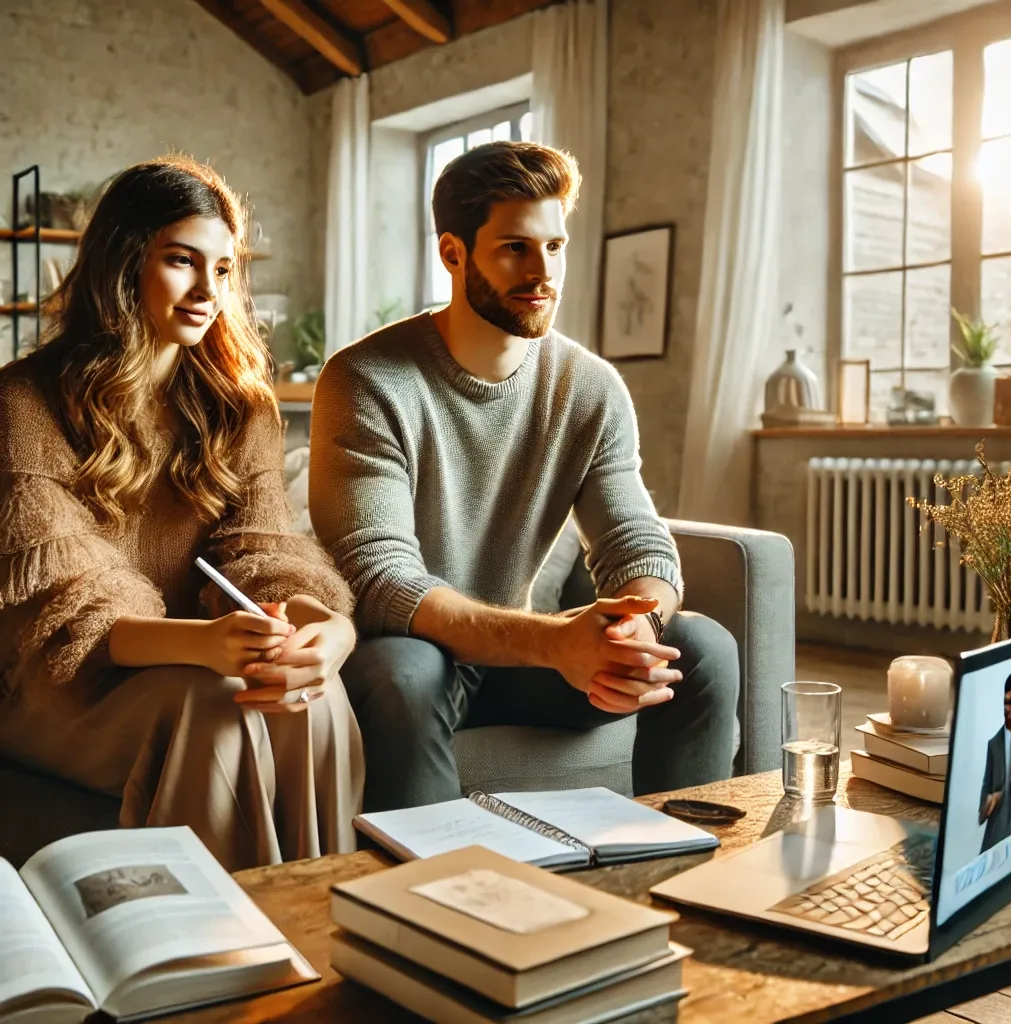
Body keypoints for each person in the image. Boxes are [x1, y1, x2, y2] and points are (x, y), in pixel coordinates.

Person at [309, 141, 739, 812]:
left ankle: (688, 873)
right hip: (413, 650)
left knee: (701, 647)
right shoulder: (367, 378)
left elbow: (634, 541)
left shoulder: (590, 386)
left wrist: (637, 626)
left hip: (518, 658)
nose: (543, 273)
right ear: (454, 253)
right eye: (515, 247)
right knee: (404, 672)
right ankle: (432, 896)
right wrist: (554, 641)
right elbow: (383, 580)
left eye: (555, 246)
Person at [0, 157, 363, 869]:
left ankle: (314, 932)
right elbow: (69, 617)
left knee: (308, 697)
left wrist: (331, 631)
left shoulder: (240, 408)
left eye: (224, 270)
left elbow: (264, 552)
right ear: (123, 265)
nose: (208, 290)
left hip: (190, 662)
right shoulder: (21, 404)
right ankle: (206, 962)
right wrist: (204, 644)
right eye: (181, 261)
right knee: (212, 702)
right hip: (54, 687)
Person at [979, 671, 1011, 852]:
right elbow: (985, 787)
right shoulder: (993, 744)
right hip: (994, 839)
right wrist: (988, 802)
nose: (1007, 708)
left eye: (1010, 702)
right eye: (1004, 702)